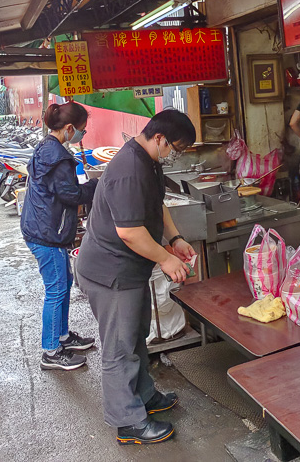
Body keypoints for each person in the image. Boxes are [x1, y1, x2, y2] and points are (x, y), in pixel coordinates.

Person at [76, 108, 197, 446]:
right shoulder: (130, 168)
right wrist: (165, 260)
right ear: (159, 138)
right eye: (176, 147)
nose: (176, 155)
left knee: (136, 336)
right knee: (119, 348)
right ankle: (127, 421)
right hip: (110, 273)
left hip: (129, 270)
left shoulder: (149, 162)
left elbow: (157, 205)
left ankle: (144, 396)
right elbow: (129, 232)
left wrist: (175, 240)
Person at [21, 102, 98, 371]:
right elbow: (71, 195)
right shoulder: (58, 157)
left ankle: (63, 337)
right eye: (81, 131)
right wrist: (95, 185)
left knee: (63, 283)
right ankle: (51, 351)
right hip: (46, 233)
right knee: (56, 289)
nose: (82, 136)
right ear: (68, 128)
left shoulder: (47, 147)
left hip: (41, 227)